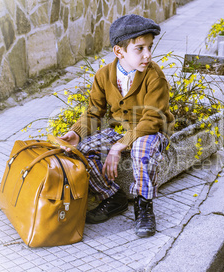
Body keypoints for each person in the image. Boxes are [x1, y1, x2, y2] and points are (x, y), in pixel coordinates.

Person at [59, 14, 174, 238]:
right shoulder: (103, 76)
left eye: (149, 47)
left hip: (151, 132)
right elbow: (94, 112)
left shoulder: (154, 76)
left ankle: (144, 205)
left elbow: (152, 119)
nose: (148, 55)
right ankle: (113, 197)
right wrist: (76, 133)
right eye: (139, 49)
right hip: (121, 132)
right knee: (81, 151)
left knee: (141, 148)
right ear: (119, 51)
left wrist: (118, 146)